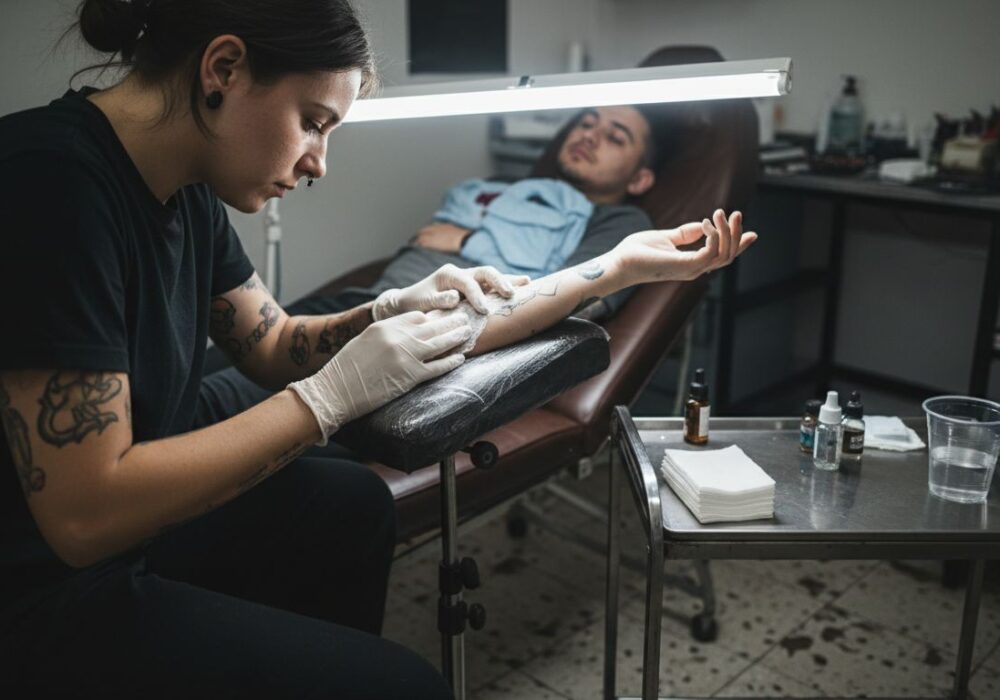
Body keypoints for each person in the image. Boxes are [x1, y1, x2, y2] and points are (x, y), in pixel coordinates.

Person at [0, 1, 755, 697]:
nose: (319, 163)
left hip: (122, 535)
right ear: (222, 70)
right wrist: (328, 400)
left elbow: (273, 344)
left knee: (354, 503)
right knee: (405, 687)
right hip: (46, 587)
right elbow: (85, 517)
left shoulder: (184, 183)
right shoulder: (52, 182)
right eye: (312, 121)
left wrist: (392, 310)